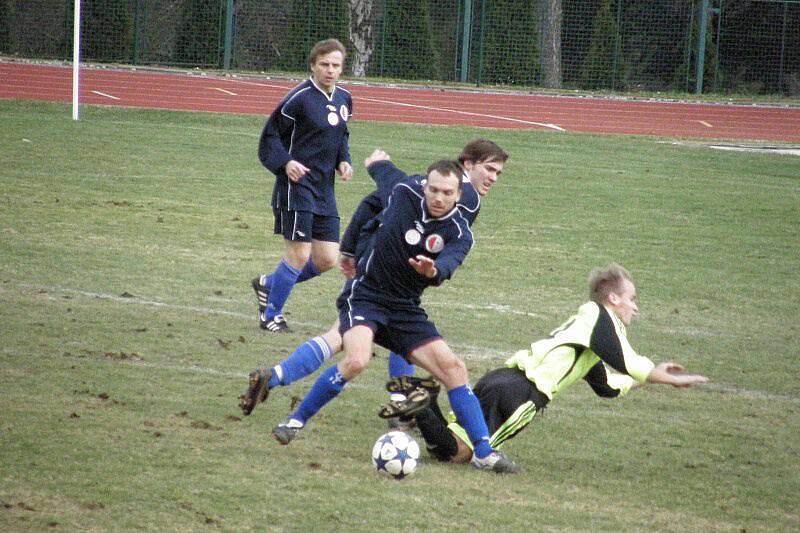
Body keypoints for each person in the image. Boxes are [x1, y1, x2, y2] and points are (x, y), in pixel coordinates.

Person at [269, 159, 520, 473]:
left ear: (458, 195)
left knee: (454, 369)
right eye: (433, 189)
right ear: (424, 186)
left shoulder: (460, 232)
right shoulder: (403, 191)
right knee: (357, 360)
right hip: (365, 295)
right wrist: (376, 164)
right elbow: (381, 179)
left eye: (446, 192)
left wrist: (432, 269)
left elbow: (448, 264)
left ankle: (484, 452)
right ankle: (294, 421)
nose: (438, 197)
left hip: (405, 307)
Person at [239, 140, 508, 417]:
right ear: (468, 165)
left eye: (498, 173)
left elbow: (373, 202)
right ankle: (400, 402)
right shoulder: (466, 198)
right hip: (390, 274)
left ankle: (274, 376)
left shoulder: (426, 184)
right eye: (489, 169)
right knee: (397, 335)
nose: (492, 178)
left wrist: (351, 248)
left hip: (377, 261)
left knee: (343, 334)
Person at [385, 263, 709, 466]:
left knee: (454, 442)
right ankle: (420, 404)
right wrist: (665, 377)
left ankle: (421, 399)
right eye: (632, 299)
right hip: (522, 395)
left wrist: (650, 379)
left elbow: (608, 387)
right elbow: (627, 360)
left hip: (503, 379)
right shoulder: (600, 320)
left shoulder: (590, 330)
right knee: (458, 453)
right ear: (613, 299)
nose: (635, 308)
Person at [252, 38, 353, 332]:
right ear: (313, 65)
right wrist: (285, 163)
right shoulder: (298, 99)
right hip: (296, 188)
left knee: (326, 260)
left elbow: (341, 135)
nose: (330, 70)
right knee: (299, 254)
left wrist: (343, 161)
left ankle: (270, 284)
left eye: (336, 65)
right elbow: (269, 136)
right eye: (324, 64)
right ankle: (271, 314)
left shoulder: (345, 98)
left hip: (325, 190)